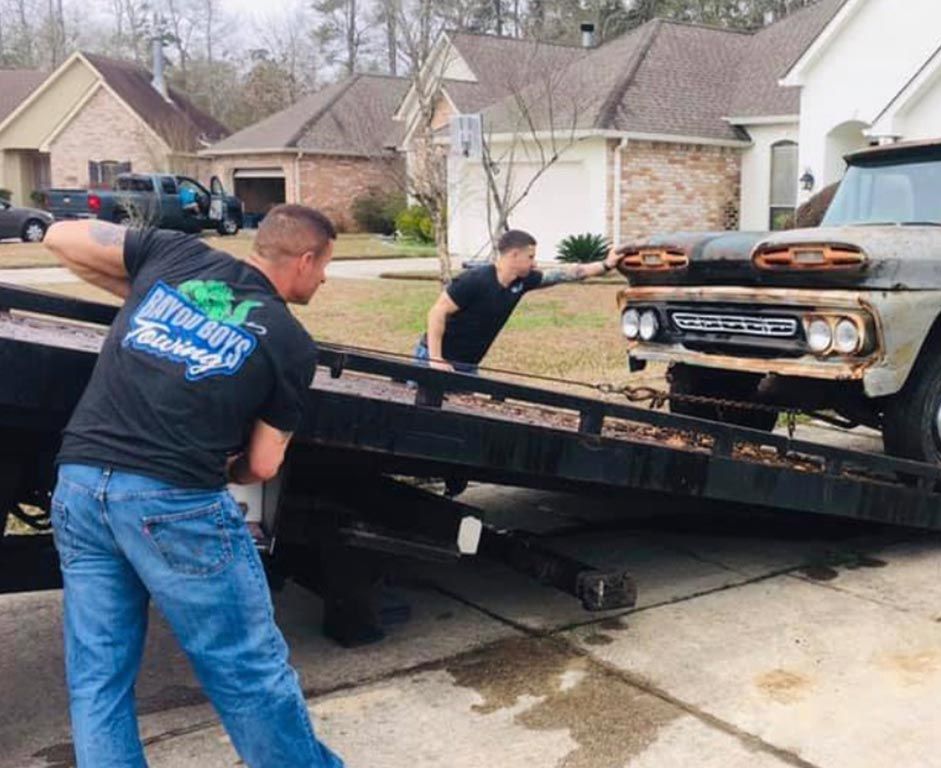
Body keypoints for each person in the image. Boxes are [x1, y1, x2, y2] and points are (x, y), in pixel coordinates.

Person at [42, 205, 344, 768]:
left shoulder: (175, 256)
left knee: (97, 678)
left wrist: (141, 290)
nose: (325, 278)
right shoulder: (290, 341)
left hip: (79, 487)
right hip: (173, 503)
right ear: (305, 260)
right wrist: (224, 471)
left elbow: (60, 235)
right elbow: (262, 465)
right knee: (247, 672)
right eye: (326, 265)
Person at [417, 229, 626, 372]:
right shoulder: (476, 280)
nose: (534, 263)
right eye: (531, 257)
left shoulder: (523, 281)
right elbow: (437, 312)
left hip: (467, 365)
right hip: (436, 361)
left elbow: (567, 273)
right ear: (514, 255)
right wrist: (436, 359)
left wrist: (607, 265)